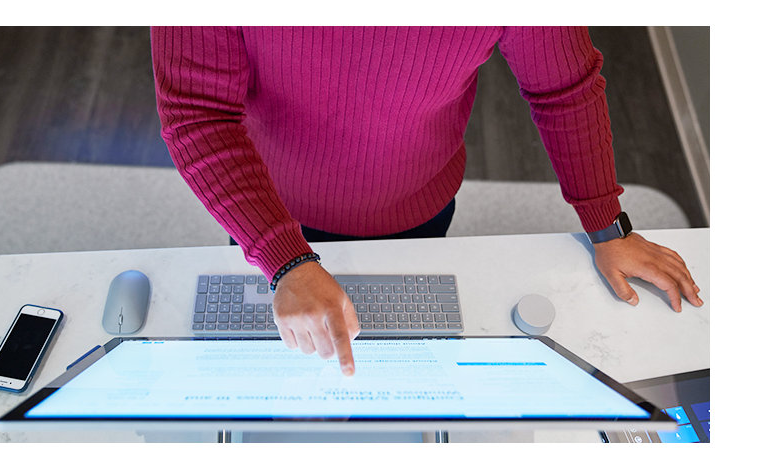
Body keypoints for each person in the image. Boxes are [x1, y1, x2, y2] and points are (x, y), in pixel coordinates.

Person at [150, 26, 703, 376]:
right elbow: (199, 113)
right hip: (270, 207)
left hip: (419, 202)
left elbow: (564, 88)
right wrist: (285, 259)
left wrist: (609, 225)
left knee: (401, 364)